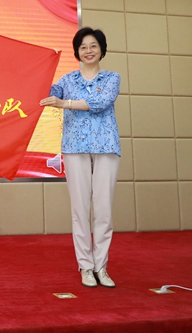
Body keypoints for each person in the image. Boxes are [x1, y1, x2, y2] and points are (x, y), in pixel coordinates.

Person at [39, 27, 121, 289]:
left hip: (106, 147)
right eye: (83, 47)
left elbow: (100, 102)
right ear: (77, 51)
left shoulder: (112, 78)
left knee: (103, 210)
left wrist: (64, 104)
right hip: (75, 148)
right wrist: (38, 66)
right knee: (80, 209)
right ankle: (86, 266)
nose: (88, 51)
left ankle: (101, 267)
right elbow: (43, 91)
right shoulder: (67, 80)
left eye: (93, 45)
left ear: (102, 49)